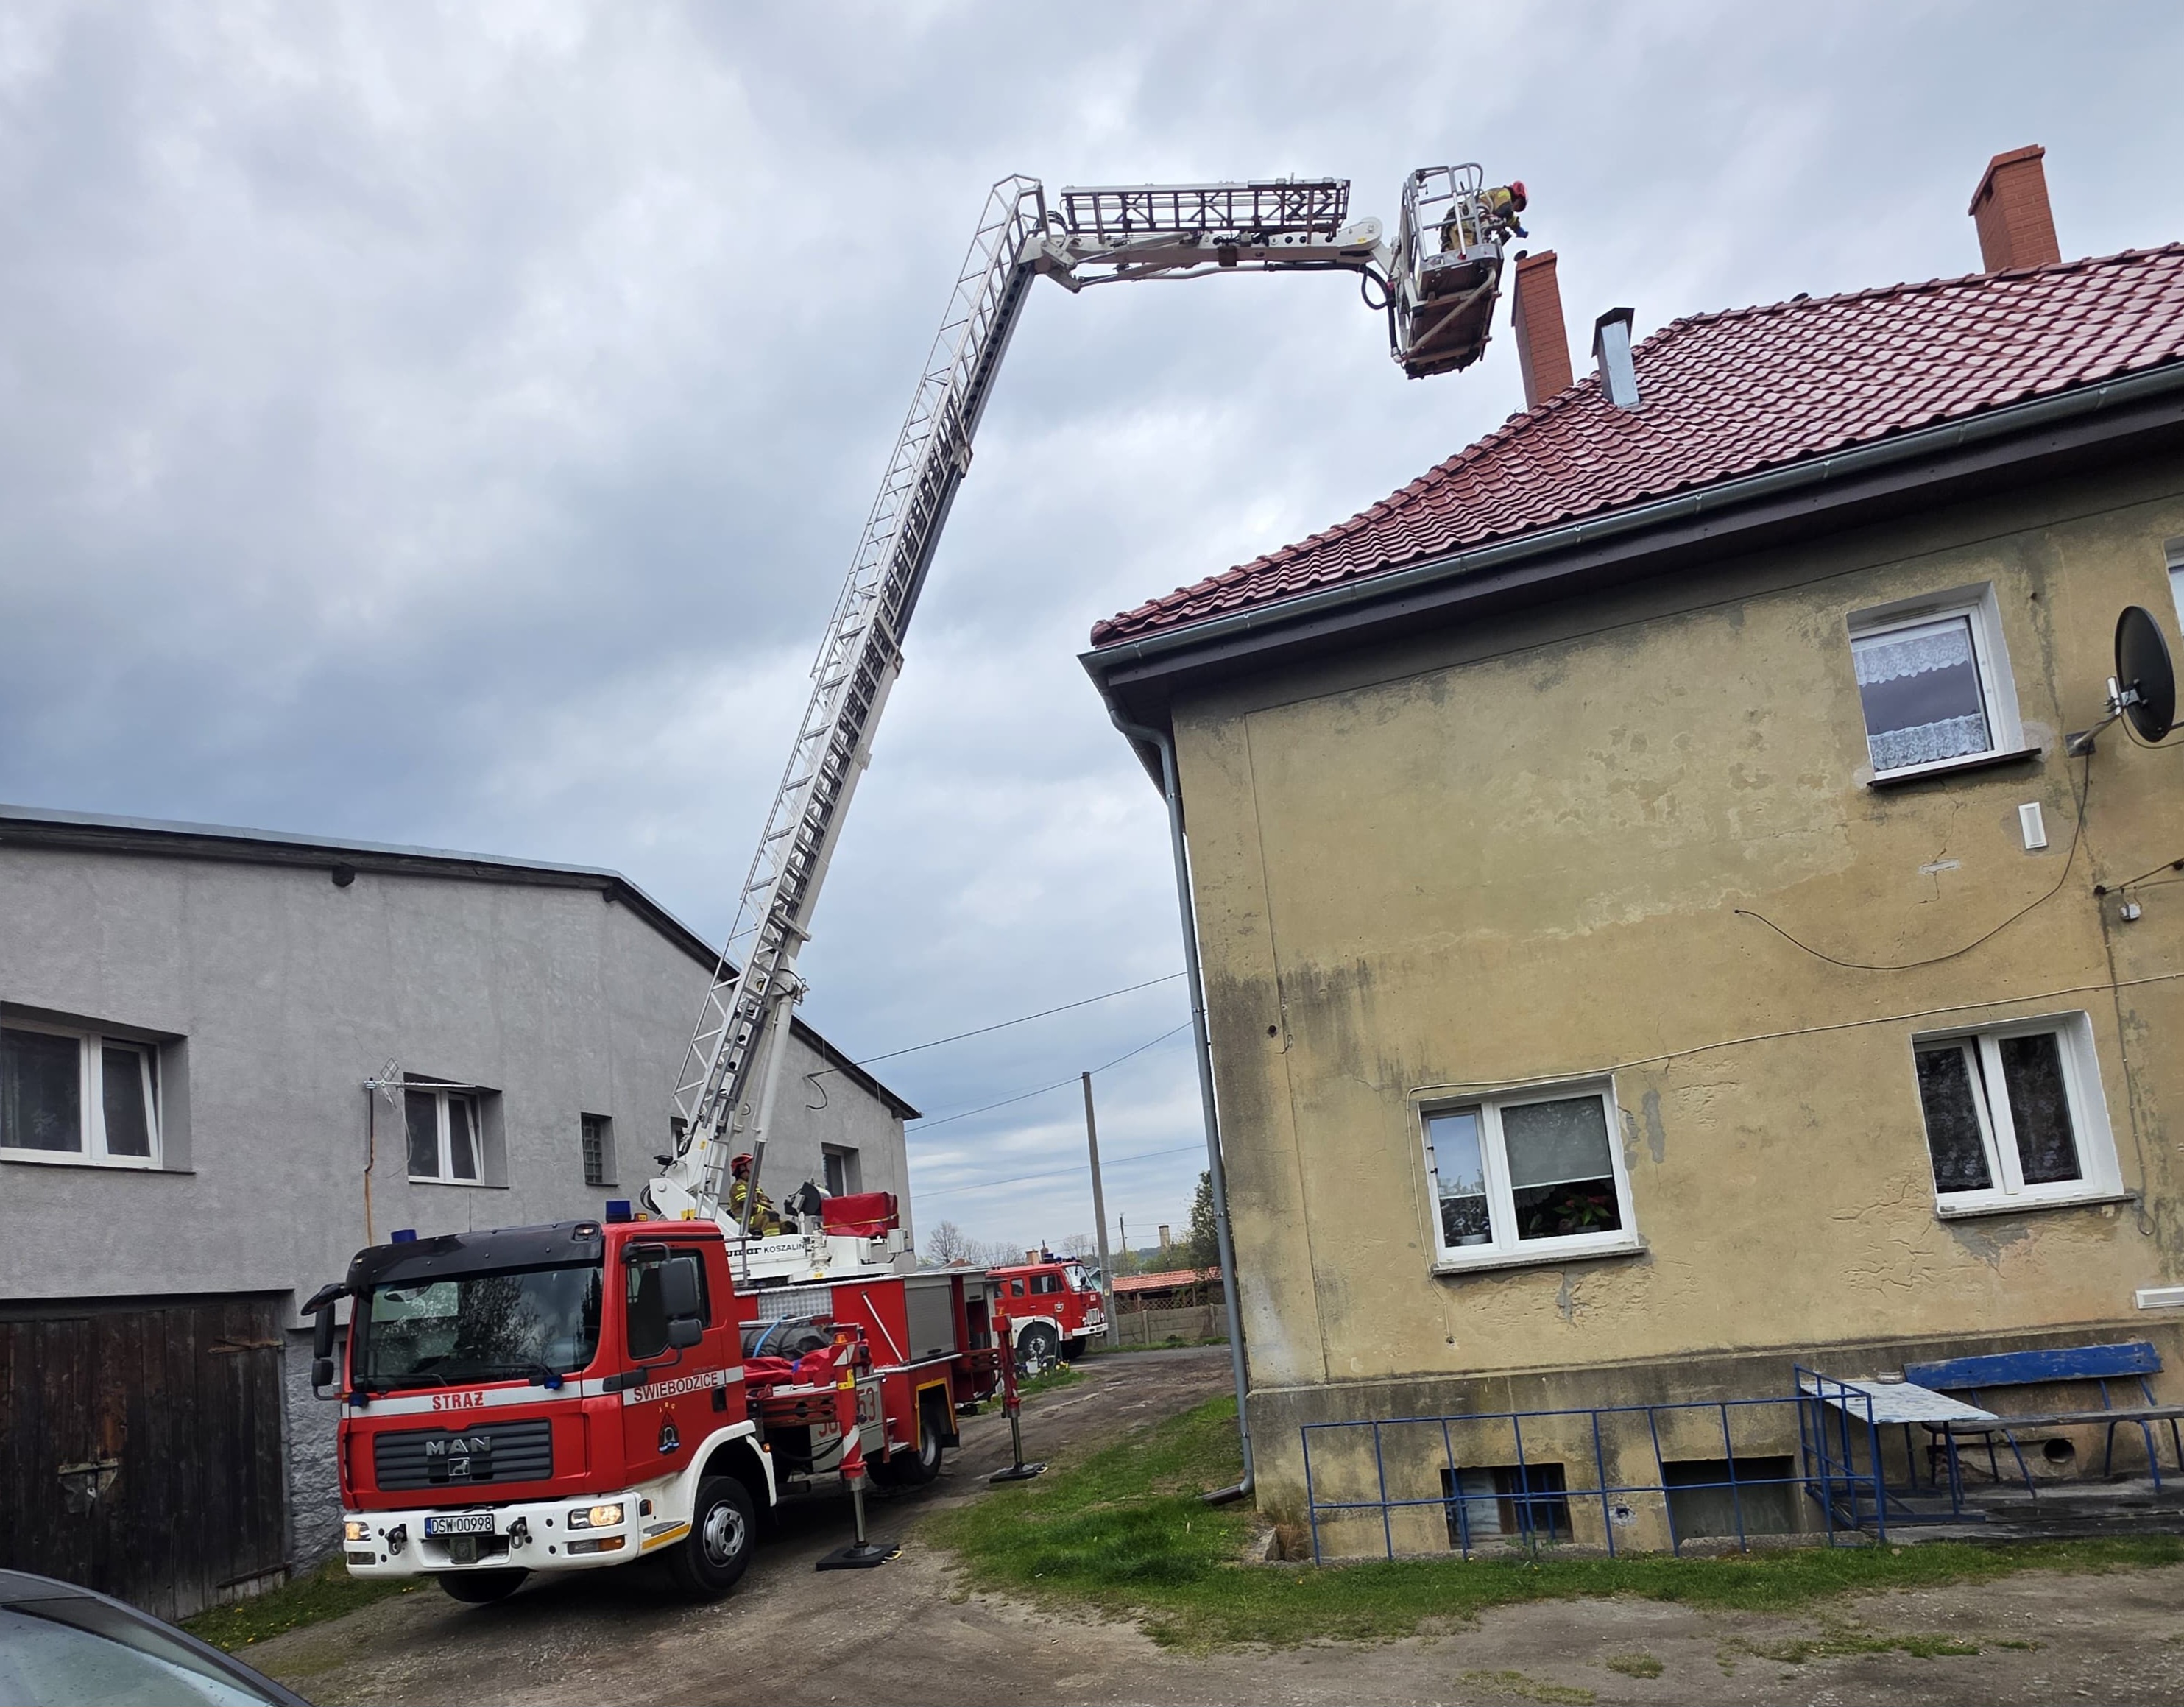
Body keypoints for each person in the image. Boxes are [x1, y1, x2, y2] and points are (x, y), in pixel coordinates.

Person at [727, 1152, 783, 1236]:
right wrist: (765, 1208)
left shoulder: (756, 1187)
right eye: (751, 1166)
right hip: (745, 1220)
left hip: (757, 1217)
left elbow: (763, 1203)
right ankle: (771, 1244)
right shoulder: (738, 1186)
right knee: (770, 1217)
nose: (754, 1169)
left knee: (788, 1226)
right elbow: (748, 1206)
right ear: (742, 1168)